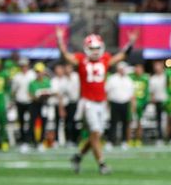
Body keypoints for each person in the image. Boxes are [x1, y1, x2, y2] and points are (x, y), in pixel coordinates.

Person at [57, 27, 139, 174]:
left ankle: (77, 156)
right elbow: (65, 55)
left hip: (101, 102)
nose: (95, 51)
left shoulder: (106, 59)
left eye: (97, 48)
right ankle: (102, 164)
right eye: (92, 48)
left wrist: (131, 43)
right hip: (87, 102)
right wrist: (59, 39)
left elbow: (121, 56)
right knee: (95, 132)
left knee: (96, 135)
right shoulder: (81, 60)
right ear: (86, 48)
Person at [106, 62, 135, 147]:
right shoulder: (112, 79)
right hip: (114, 103)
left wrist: (133, 106)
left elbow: (132, 94)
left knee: (125, 123)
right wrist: (107, 105)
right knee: (113, 123)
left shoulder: (128, 80)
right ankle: (111, 141)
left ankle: (124, 141)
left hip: (125, 103)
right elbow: (107, 92)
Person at [10, 58, 35, 149]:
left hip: (30, 101)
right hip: (20, 101)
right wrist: (12, 101)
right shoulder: (17, 76)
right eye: (22, 66)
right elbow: (13, 90)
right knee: (21, 121)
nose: (24, 67)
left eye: (25, 65)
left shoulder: (32, 75)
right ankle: (23, 140)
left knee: (30, 121)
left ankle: (29, 139)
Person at [28, 62, 53, 150]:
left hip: (44, 104)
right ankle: (33, 141)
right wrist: (38, 96)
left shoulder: (47, 81)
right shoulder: (32, 83)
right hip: (35, 104)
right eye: (37, 72)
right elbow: (31, 94)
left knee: (44, 123)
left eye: (40, 71)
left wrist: (44, 95)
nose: (39, 73)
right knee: (32, 123)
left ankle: (41, 141)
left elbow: (50, 92)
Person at [130, 63, 150, 146]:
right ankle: (130, 139)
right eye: (136, 68)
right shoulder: (131, 77)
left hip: (141, 103)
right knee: (130, 122)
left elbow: (147, 91)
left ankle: (138, 139)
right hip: (132, 103)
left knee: (139, 122)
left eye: (139, 68)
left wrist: (145, 102)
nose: (138, 70)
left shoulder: (145, 78)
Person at [148, 61, 168, 143]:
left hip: (167, 101)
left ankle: (170, 137)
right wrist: (153, 99)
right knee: (159, 121)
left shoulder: (166, 77)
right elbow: (151, 92)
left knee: (169, 120)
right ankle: (160, 138)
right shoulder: (153, 79)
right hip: (158, 101)